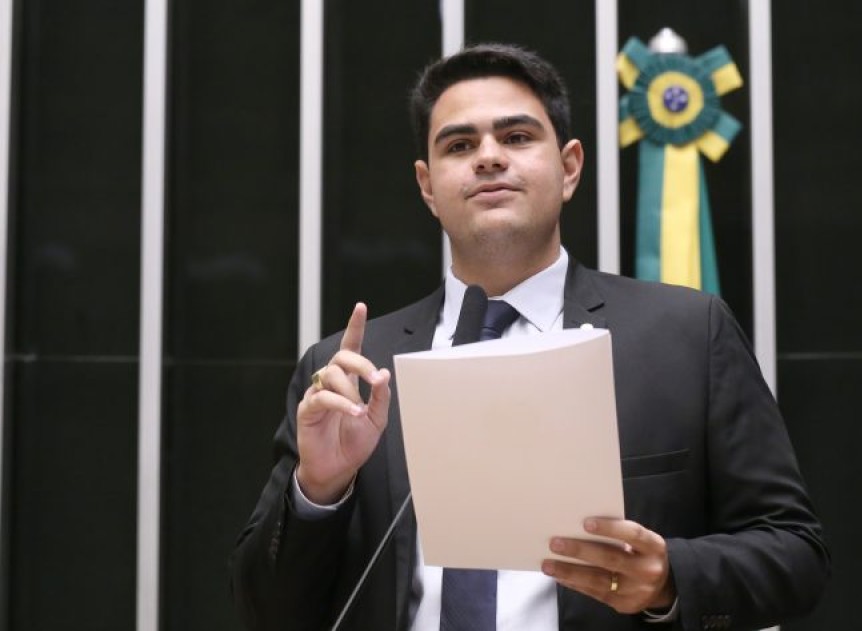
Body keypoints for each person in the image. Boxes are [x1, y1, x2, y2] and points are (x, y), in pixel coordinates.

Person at [230, 43, 829, 631]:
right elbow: (266, 611)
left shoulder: (686, 335)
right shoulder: (349, 370)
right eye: (459, 145)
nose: (489, 158)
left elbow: (796, 554)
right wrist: (319, 491)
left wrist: (671, 576)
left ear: (569, 168)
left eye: (516, 137)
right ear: (427, 187)